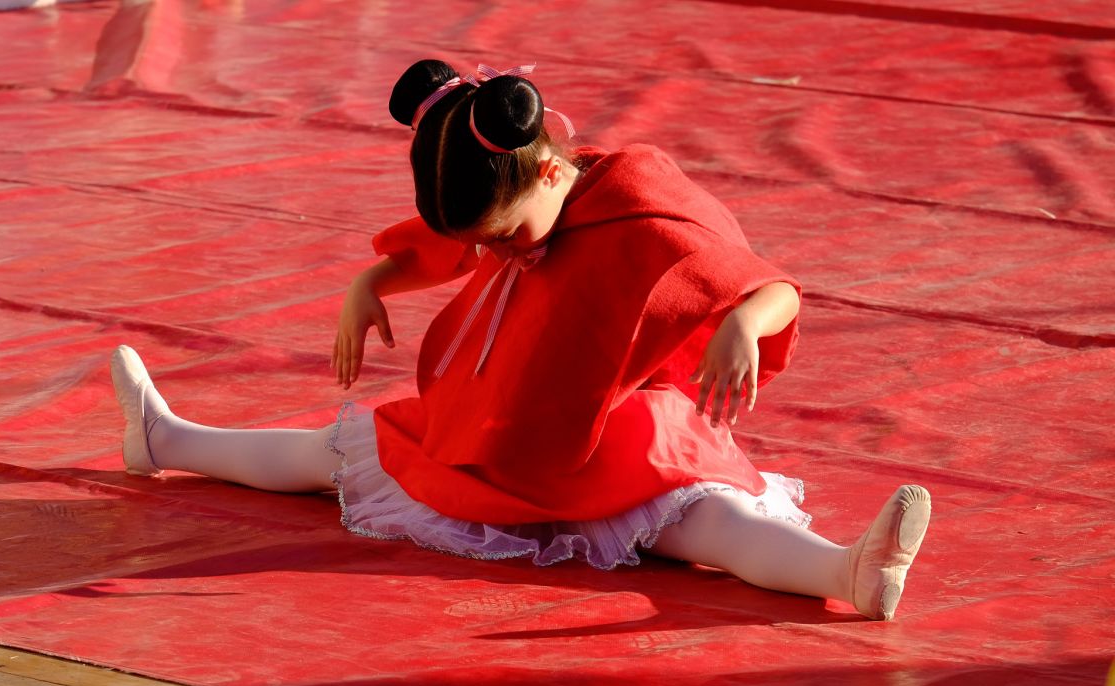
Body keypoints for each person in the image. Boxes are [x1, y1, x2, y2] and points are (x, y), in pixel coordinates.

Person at [110, 59, 931, 620]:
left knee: (707, 516)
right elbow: (448, 246)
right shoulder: (519, 198)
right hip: (508, 422)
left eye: (504, 238)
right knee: (340, 450)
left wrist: (744, 322)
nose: (498, 256)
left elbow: (769, 284)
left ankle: (845, 568)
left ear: (544, 170)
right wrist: (371, 283)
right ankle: (166, 436)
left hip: (617, 428)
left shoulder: (642, 205)